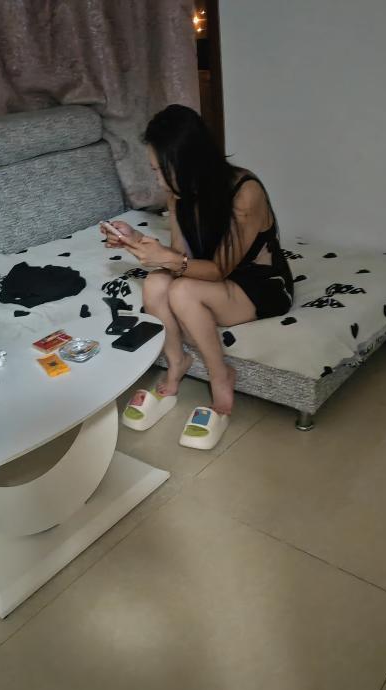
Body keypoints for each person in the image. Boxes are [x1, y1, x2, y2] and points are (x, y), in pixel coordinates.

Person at [103, 104, 293, 446]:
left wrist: (167, 259)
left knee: (182, 292)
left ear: (187, 162)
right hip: (209, 275)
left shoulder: (244, 192)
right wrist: (136, 240)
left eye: (161, 170)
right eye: (155, 170)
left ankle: (221, 376)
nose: (158, 180)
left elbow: (218, 269)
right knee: (155, 282)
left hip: (259, 282)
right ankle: (177, 362)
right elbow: (183, 256)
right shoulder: (179, 193)